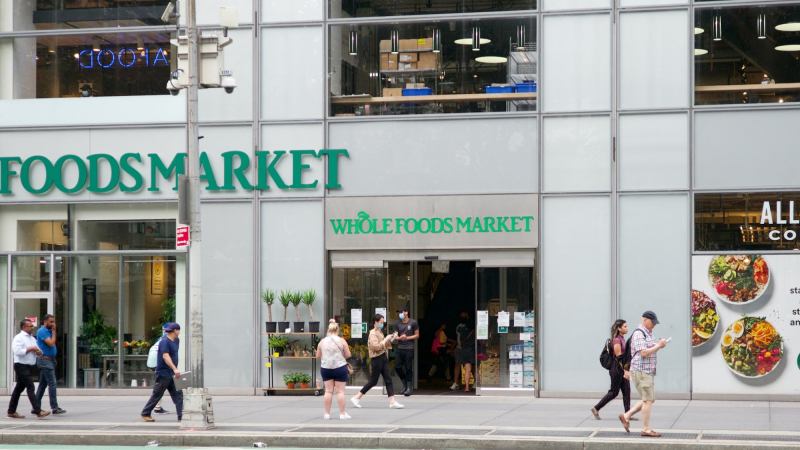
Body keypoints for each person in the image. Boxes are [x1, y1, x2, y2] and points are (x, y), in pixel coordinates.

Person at [619, 311, 667, 438]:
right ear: (645, 320)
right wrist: (658, 345)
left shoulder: (647, 333)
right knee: (648, 400)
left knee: (648, 399)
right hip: (641, 371)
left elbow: (649, 349)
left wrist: (659, 344)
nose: (654, 325)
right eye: (653, 322)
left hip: (646, 371)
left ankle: (626, 416)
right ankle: (646, 429)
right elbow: (644, 353)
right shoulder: (639, 334)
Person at [350, 314, 404, 409]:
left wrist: (391, 338)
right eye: (381, 322)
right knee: (373, 381)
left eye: (383, 322)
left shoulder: (379, 332)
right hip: (377, 359)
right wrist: (386, 339)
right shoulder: (372, 333)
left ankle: (392, 401)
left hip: (383, 357)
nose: (382, 324)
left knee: (388, 379)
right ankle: (356, 397)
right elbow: (375, 347)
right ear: (376, 322)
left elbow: (384, 345)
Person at [141, 322, 183, 422]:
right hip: (163, 373)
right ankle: (145, 413)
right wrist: (175, 368)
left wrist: (174, 369)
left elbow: (173, 355)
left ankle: (181, 416)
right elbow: (165, 356)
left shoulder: (176, 340)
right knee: (157, 394)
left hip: (172, 373)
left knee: (178, 394)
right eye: (178, 330)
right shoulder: (164, 342)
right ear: (175, 331)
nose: (179, 332)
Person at [8, 319, 50, 419]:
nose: (32, 328)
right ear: (24, 327)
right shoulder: (18, 338)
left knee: (18, 389)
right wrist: (30, 349)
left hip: (29, 366)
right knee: (30, 386)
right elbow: (17, 351)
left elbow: (38, 349)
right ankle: (37, 410)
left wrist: (39, 353)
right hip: (20, 365)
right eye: (30, 326)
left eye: (32, 326)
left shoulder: (32, 338)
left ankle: (11, 411)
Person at [591, 319, 631, 420]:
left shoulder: (622, 338)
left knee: (626, 391)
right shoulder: (617, 340)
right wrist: (625, 370)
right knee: (614, 392)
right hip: (616, 369)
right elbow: (619, 357)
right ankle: (596, 408)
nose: (627, 328)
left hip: (621, 368)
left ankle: (628, 414)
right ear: (619, 328)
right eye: (625, 326)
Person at [316, 319, 352, 420]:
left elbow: (318, 355)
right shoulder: (342, 341)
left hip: (326, 368)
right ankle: (342, 414)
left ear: (328, 330)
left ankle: (327, 414)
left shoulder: (322, 341)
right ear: (337, 330)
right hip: (340, 367)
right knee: (340, 392)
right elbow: (348, 355)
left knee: (328, 391)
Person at [35, 314, 66, 415]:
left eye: (53, 321)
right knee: (52, 384)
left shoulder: (48, 331)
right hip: (45, 361)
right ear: (45, 322)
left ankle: (36, 407)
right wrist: (54, 332)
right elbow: (51, 343)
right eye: (51, 322)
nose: (53, 324)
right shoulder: (42, 331)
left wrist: (52, 331)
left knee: (42, 385)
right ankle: (54, 407)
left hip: (50, 360)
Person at [394, 307, 419, 396]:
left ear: (406, 312)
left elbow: (417, 335)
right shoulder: (397, 323)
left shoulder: (413, 322)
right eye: (399, 312)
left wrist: (407, 338)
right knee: (397, 367)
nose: (400, 314)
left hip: (409, 348)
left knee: (408, 368)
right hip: (400, 348)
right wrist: (399, 338)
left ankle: (409, 387)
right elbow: (395, 335)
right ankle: (404, 384)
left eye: (402, 312)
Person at [451, 311, 475, 392]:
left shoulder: (459, 326)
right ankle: (464, 385)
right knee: (468, 366)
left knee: (461, 365)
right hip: (466, 348)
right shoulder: (469, 326)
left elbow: (458, 338)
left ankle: (457, 383)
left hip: (461, 348)